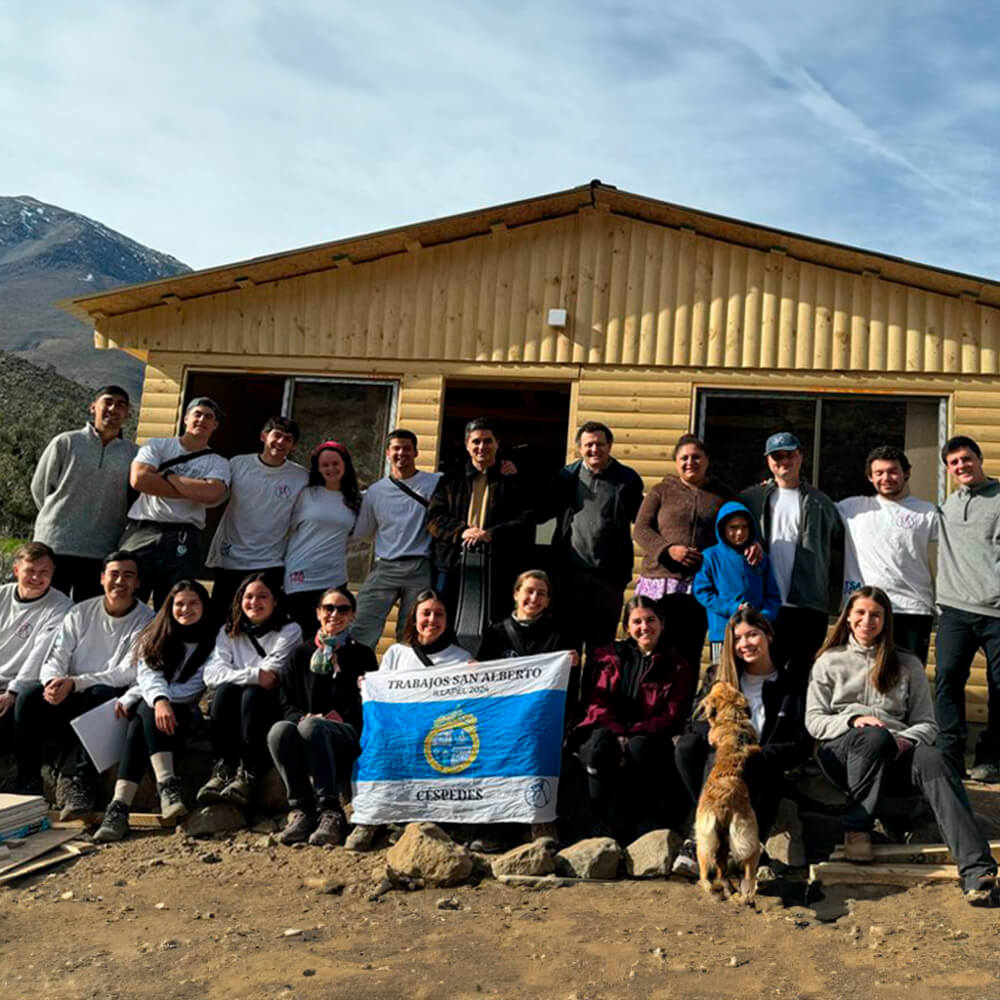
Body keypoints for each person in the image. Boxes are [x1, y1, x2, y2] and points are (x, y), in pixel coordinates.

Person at [806, 586, 1000, 906]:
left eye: (876, 615)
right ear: (848, 617)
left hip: (894, 751)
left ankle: (976, 870)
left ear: (886, 620)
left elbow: (928, 723)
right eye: (861, 613)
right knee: (873, 735)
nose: (868, 620)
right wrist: (854, 721)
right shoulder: (829, 661)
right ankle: (858, 830)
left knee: (935, 758)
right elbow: (814, 721)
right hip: (842, 753)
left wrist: (906, 740)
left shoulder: (907, 663)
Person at [12, 551, 155, 815]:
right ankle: (27, 780)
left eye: (128, 576)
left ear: (137, 583)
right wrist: (54, 682)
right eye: (114, 574)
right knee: (29, 698)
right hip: (70, 693)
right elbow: (56, 656)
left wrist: (75, 683)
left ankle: (82, 784)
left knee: (101, 694)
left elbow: (128, 673)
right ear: (102, 578)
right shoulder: (80, 612)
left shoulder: (148, 620)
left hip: (110, 700)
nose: (120, 581)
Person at [672, 608, 809, 877]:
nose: (745, 644)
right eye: (737, 638)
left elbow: (801, 743)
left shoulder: (790, 684)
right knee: (690, 747)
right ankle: (701, 838)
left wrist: (759, 753)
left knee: (745, 757)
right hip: (717, 767)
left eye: (752, 635)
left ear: (768, 635)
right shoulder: (717, 677)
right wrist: (722, 738)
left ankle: (724, 842)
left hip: (762, 770)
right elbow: (696, 723)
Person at [345, 588, 473, 851]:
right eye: (426, 613)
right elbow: (383, 700)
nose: (432, 620)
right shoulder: (396, 653)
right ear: (414, 618)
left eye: (439, 615)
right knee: (378, 745)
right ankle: (372, 819)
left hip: (442, 734)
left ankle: (424, 821)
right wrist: (369, 686)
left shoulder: (462, 659)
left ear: (447, 621)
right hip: (401, 732)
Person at [93, 580, 217, 842]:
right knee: (144, 714)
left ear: (204, 606)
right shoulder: (156, 634)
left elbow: (191, 688)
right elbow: (148, 676)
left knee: (145, 711)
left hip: (186, 715)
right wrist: (155, 699)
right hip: (157, 715)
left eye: (193, 603)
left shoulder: (214, 641)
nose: (186, 609)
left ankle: (119, 809)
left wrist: (156, 698)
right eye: (179, 603)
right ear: (169, 607)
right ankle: (162, 788)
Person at [571, 596, 692, 841]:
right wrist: (618, 733)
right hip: (606, 730)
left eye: (650, 620)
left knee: (640, 747)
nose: (644, 627)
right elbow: (596, 703)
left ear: (662, 624)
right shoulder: (606, 657)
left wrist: (634, 732)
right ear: (627, 627)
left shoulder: (678, 665)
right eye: (637, 621)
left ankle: (641, 820)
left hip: (650, 737)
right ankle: (597, 821)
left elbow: (673, 714)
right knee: (599, 747)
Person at [268, 586, 376, 846]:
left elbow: (372, 702)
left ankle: (331, 811)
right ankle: (303, 810)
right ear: (318, 613)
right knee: (279, 731)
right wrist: (303, 716)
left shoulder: (362, 654)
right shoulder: (300, 653)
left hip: (346, 732)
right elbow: (286, 701)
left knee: (312, 728)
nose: (334, 614)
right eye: (328, 608)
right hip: (307, 727)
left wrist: (340, 716)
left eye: (343, 609)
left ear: (352, 615)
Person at [740, 431, 844, 693]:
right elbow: (730, 534)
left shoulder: (822, 503)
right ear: (768, 461)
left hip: (808, 604)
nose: (784, 461)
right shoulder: (751, 499)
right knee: (762, 672)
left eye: (790, 454)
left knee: (801, 676)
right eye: (777, 456)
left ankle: (795, 731)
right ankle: (762, 731)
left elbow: (841, 548)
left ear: (800, 457)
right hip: (766, 604)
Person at [634, 434, 736, 683]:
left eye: (696, 457)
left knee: (688, 654)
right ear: (676, 462)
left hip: (699, 586)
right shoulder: (661, 491)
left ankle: (681, 718)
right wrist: (668, 549)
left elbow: (740, 527)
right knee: (656, 651)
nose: (690, 462)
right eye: (684, 458)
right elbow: (641, 529)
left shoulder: (723, 495)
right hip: (660, 584)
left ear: (707, 460)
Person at [536, 421, 643, 657]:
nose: (594, 449)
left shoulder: (627, 480)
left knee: (601, 651)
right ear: (579, 448)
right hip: (569, 576)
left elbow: (642, 521)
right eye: (589, 445)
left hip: (608, 578)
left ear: (610, 446)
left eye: (600, 444)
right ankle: (569, 695)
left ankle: (596, 695)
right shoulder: (566, 477)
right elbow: (540, 512)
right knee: (566, 650)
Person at [199, 573, 302, 807]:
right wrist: (254, 675)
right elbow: (211, 675)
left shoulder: (289, 630)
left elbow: (273, 674)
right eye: (249, 597)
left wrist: (240, 675)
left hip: (268, 704)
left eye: (262, 597)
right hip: (234, 701)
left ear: (275, 600)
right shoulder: (228, 631)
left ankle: (248, 771)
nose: (254, 603)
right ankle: (222, 769)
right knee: (226, 692)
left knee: (251, 694)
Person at [426, 418, 533, 635]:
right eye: (476, 442)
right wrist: (462, 531)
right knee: (443, 620)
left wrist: (491, 534)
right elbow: (434, 518)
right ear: (467, 445)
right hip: (451, 564)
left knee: (497, 625)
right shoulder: (450, 479)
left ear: (497, 443)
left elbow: (527, 519)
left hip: (498, 565)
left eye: (488, 441)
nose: (481, 447)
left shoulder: (512, 480)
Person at [121, 396, 231, 607]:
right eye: (197, 414)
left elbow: (212, 494)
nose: (202, 420)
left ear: (215, 425)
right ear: (186, 419)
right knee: (129, 598)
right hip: (143, 530)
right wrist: (193, 489)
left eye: (209, 417)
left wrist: (167, 477)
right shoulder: (158, 445)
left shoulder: (219, 462)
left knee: (174, 605)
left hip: (184, 536)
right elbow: (139, 479)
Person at [933, 435, 1000, 781]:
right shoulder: (946, 507)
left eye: (966, 459)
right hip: (955, 609)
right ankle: (950, 757)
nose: (961, 466)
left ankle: (991, 759)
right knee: (946, 679)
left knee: (999, 685)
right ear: (948, 469)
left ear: (979, 458)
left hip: (998, 612)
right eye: (954, 462)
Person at [31, 385, 136, 602]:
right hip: (56, 543)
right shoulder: (66, 442)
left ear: (127, 414)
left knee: (87, 617)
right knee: (46, 610)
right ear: (93, 407)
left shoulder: (133, 454)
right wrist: (57, 516)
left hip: (102, 549)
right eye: (107, 402)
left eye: (121, 405)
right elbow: (40, 488)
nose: (113, 408)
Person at [837, 445, 937, 664]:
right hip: (864, 611)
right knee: (862, 676)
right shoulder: (851, 508)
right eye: (879, 473)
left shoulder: (927, 512)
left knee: (907, 679)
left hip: (912, 608)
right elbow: (810, 516)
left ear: (906, 473)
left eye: (893, 471)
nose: (886, 477)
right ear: (870, 477)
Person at [206, 416, 308, 615]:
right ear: (263, 436)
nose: (280, 442)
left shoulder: (301, 477)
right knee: (220, 618)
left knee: (261, 620)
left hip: (270, 562)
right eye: (277, 435)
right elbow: (213, 498)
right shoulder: (238, 464)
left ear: (293, 446)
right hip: (231, 558)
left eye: (287, 439)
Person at [351, 429, 441, 648]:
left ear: (416, 452)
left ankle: (403, 679)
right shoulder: (375, 491)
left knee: (411, 633)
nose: (402, 453)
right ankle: (356, 676)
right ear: (388, 453)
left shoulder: (435, 482)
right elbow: (362, 531)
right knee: (362, 626)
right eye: (396, 448)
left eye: (407, 448)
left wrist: (505, 469)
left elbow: (470, 480)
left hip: (420, 566)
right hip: (386, 567)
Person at [476, 569, 581, 719]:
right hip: (503, 713)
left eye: (541, 594)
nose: (534, 598)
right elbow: (483, 677)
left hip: (542, 715)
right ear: (516, 594)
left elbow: (569, 688)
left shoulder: (561, 635)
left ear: (547, 601)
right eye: (529, 591)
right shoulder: (496, 633)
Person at [0, 543, 72, 754]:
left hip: (21, 684)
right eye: (29, 571)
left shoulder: (62, 606)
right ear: (16, 571)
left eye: (44, 572)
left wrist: (13, 690)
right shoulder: (2, 595)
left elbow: (41, 652)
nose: (36, 577)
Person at [283, 441, 361, 636]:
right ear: (318, 468)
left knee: (330, 636)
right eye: (325, 465)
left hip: (334, 577)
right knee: (302, 635)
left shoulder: (356, 499)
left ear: (345, 464)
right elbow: (286, 529)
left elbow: (356, 534)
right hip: (300, 577)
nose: (331, 469)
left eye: (335, 463)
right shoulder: (306, 494)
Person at [692, 502, 781, 664]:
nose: (739, 533)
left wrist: (762, 618)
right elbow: (702, 592)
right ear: (722, 529)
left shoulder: (760, 558)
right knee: (721, 679)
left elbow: (773, 595)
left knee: (753, 679)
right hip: (722, 633)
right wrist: (733, 608)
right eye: (733, 528)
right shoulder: (710, 556)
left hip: (755, 635)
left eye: (744, 527)